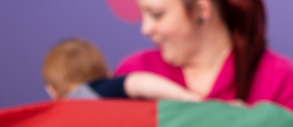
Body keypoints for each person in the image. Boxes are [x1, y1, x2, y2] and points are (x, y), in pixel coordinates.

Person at [116, 0, 293, 127]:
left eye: (156, 14)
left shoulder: (278, 77)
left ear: (201, 9)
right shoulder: (134, 71)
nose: (145, 29)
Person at [42, 38, 201, 102]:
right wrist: (187, 97)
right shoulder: (92, 91)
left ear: (51, 92)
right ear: (108, 75)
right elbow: (136, 82)